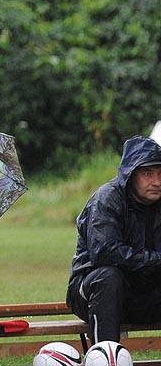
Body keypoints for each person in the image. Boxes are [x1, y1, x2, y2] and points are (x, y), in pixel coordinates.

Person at [67, 135, 161, 344]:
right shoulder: (107, 198)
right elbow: (105, 254)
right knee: (109, 277)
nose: (156, 182)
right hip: (92, 292)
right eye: (147, 174)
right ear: (131, 174)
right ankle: (104, 358)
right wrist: (156, 259)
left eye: (160, 173)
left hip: (144, 292)